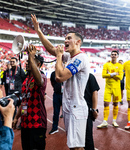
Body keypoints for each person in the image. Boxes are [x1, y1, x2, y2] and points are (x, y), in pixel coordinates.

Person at [31, 14, 90, 150]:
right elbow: (51, 49)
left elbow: (60, 77)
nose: (65, 41)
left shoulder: (80, 58)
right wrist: (38, 31)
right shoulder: (70, 56)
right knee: (72, 145)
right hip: (69, 106)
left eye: (69, 38)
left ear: (78, 42)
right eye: (65, 38)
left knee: (77, 147)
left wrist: (58, 56)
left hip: (77, 107)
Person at [13, 45, 47, 150]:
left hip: (37, 124)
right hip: (25, 124)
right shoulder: (26, 81)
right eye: (27, 61)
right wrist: (17, 117)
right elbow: (24, 103)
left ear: (38, 64)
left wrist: (31, 56)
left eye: (30, 61)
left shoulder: (42, 77)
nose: (27, 63)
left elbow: (39, 81)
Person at [97, 51, 123, 128]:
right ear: (110, 55)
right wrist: (114, 74)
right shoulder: (106, 64)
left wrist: (110, 74)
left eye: (115, 54)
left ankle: (114, 121)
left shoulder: (120, 66)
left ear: (117, 56)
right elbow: (103, 75)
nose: (113, 56)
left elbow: (120, 77)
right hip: (108, 88)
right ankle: (105, 121)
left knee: (115, 104)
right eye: (112, 54)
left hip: (116, 88)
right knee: (106, 103)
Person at [84, 73, 99, 150]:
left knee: (88, 137)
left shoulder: (89, 76)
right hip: (75, 111)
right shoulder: (71, 75)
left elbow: (95, 92)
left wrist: (94, 109)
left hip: (87, 111)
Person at [49, 71, 63, 135]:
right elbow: (52, 83)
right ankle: (55, 128)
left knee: (68, 113)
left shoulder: (66, 72)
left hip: (65, 95)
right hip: (56, 94)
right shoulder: (53, 73)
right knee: (56, 112)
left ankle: (70, 129)